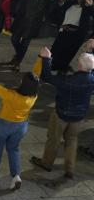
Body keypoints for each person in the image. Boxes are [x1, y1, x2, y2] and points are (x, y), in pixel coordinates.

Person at [30, 45, 94, 180]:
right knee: (72, 140)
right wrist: (89, 51)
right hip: (79, 116)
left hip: (61, 114)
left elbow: (47, 77)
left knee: (54, 138)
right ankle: (69, 169)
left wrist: (46, 59)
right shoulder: (92, 79)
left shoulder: (68, 81)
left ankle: (46, 163)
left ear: (80, 65)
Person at [0, 59, 38, 191]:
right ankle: (16, 176)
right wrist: (41, 59)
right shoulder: (33, 96)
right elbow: (36, 76)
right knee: (13, 149)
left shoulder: (11, 95)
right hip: (21, 126)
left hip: (5, 123)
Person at [9, 0, 53, 70]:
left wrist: (44, 18)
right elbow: (19, 1)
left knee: (25, 44)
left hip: (33, 23)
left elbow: (51, 8)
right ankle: (18, 56)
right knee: (14, 39)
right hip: (21, 20)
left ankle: (17, 62)